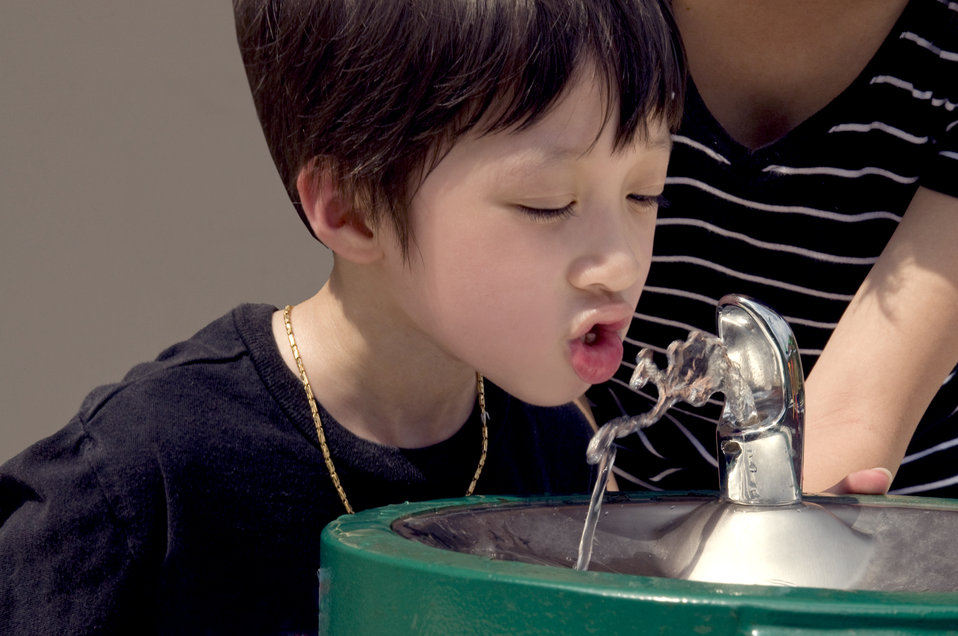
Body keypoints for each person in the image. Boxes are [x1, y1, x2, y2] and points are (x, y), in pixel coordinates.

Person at [0, 0, 686, 633]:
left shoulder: (564, 460)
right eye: (547, 202)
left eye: (644, 192)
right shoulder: (143, 477)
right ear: (352, 210)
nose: (620, 262)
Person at [587, 0, 958, 498]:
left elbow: (856, 412)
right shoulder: (569, 19)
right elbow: (526, 338)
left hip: (869, 527)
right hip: (578, 481)